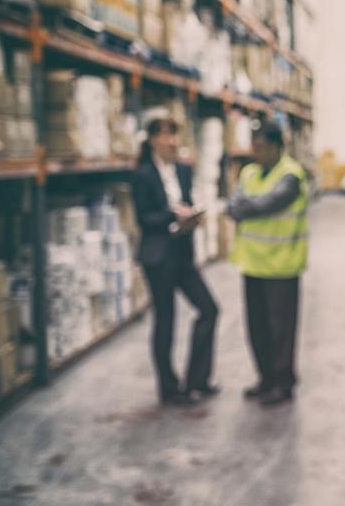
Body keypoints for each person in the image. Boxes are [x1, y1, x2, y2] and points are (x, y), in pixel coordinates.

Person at [132, 117, 220, 406]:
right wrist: (173, 215)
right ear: (152, 140)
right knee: (165, 321)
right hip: (158, 257)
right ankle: (169, 389)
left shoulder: (183, 170)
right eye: (165, 135)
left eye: (173, 135)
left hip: (182, 253)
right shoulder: (143, 175)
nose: (171, 141)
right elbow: (145, 218)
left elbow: (186, 200)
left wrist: (192, 216)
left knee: (209, 309)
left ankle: (197, 380)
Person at [228, 120, 309, 406]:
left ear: (277, 148)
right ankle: (265, 379)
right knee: (257, 327)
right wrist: (243, 207)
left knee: (281, 330)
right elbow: (233, 205)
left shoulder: (291, 176)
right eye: (254, 147)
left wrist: (245, 207)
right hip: (252, 264)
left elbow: (268, 204)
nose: (256, 153)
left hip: (282, 267)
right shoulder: (248, 172)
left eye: (261, 148)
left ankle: (283, 383)